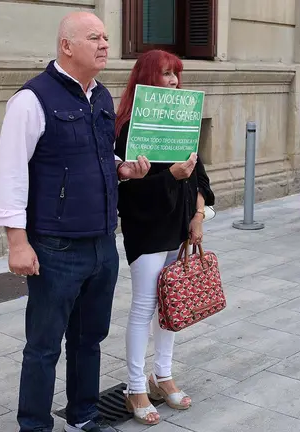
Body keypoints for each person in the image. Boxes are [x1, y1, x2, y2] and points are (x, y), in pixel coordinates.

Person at [0, 12, 151, 432]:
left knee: (88, 340)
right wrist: (17, 243)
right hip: (56, 247)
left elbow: (93, 155)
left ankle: (83, 416)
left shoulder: (101, 96)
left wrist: (122, 168)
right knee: (43, 346)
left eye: (106, 37)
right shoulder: (32, 99)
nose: (104, 44)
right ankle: (35, 425)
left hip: (101, 242)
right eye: (93, 37)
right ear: (66, 46)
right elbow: (10, 174)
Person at [114, 50, 215, 424]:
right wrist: (169, 176)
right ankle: (135, 386)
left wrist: (199, 214)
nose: (173, 81)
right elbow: (126, 192)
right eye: (166, 74)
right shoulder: (127, 126)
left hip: (179, 226)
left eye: (176, 75)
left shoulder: (184, 120)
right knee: (144, 306)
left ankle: (163, 375)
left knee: (171, 304)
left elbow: (200, 175)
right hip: (147, 228)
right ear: (147, 79)